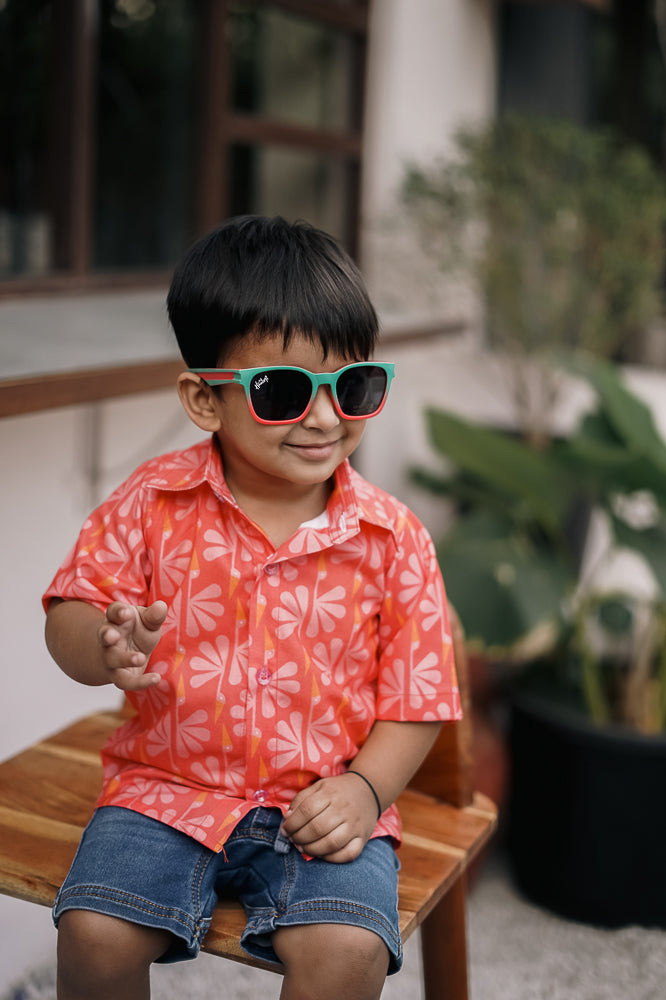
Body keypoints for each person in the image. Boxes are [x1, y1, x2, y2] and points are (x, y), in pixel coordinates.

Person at [43, 215, 461, 1000]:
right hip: (164, 790)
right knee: (92, 933)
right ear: (206, 399)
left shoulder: (392, 538)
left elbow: (419, 696)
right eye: (284, 391)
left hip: (324, 803)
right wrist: (100, 644)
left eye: (353, 385)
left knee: (345, 951)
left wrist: (366, 792)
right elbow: (71, 606)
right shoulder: (151, 501)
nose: (327, 417)